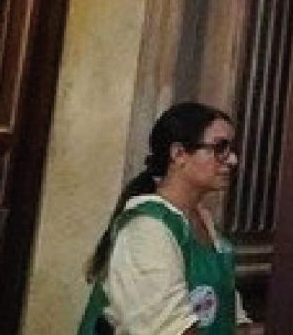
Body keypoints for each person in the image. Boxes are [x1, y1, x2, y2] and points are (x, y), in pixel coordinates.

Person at [77, 101, 253, 335]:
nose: (232, 160)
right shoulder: (147, 229)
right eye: (220, 148)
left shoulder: (204, 223)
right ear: (178, 154)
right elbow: (168, 329)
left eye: (231, 149)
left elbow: (229, 318)